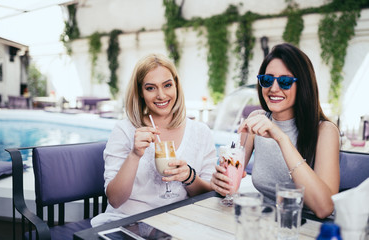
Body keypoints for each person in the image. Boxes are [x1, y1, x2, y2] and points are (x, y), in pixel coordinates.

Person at [210, 43, 340, 219]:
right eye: (267, 80)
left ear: (303, 85)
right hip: (265, 221)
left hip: (307, 227)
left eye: (285, 81)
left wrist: (281, 138)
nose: (274, 88)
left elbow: (324, 208)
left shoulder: (325, 131)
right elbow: (232, 174)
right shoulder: (256, 120)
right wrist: (220, 182)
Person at [91, 53, 217, 227]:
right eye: (150, 88)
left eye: (167, 85)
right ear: (140, 92)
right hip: (128, 223)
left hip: (178, 222)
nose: (161, 95)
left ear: (176, 86)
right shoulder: (124, 130)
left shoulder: (201, 132)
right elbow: (115, 200)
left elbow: (208, 196)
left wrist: (189, 177)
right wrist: (134, 155)